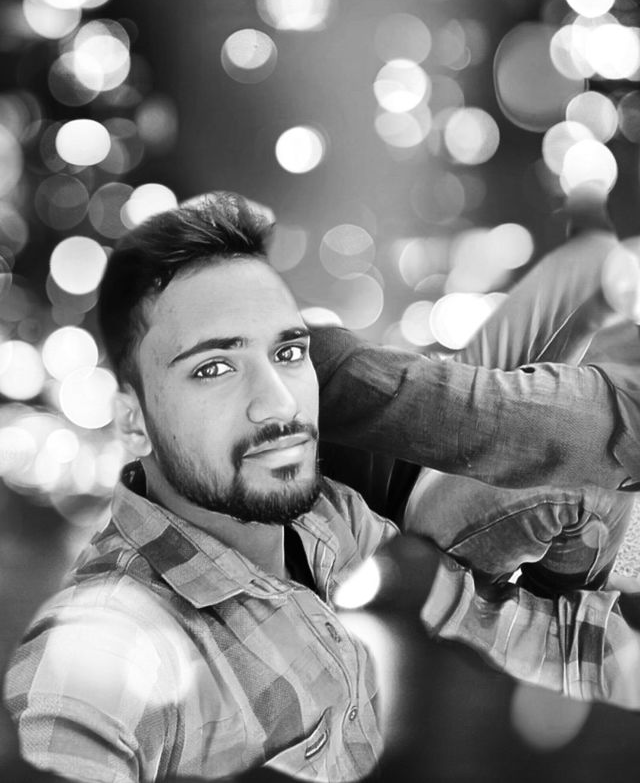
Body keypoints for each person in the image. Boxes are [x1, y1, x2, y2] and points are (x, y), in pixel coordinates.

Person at [3, 191, 640, 783]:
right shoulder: (114, 647)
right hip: (436, 555)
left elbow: (502, 624)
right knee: (588, 473)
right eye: (215, 367)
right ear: (134, 420)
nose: (279, 403)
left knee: (588, 279)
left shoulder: (325, 519)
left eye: (287, 353)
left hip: (416, 543)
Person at [315, 192, 640, 596]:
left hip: (414, 491)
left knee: (595, 262)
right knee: (600, 265)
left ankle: (558, 600)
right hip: (408, 496)